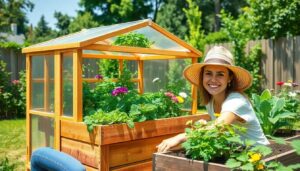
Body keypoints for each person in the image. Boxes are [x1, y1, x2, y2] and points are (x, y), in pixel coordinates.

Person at [157, 46, 269, 153]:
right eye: (208, 73)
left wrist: (181, 137)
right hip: (238, 152)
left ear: (229, 78)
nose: (213, 79)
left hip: (260, 155)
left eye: (220, 74)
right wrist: (175, 147)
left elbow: (217, 128)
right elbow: (215, 134)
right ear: (202, 76)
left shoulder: (236, 101)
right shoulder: (210, 102)